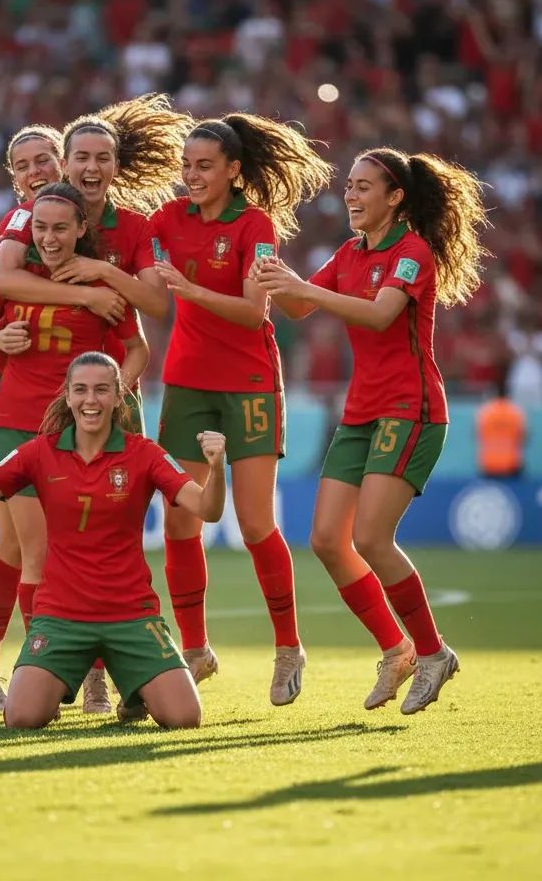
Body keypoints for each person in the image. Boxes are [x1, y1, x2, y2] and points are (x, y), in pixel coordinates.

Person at [256, 147, 489, 714]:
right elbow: (295, 308)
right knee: (327, 540)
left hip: (411, 410)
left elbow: (381, 314)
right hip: (361, 412)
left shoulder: (412, 254)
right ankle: (397, 648)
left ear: (395, 197)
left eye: (364, 187)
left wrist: (306, 290)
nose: (352, 196)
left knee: (370, 539)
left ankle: (434, 653)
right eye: (350, 187)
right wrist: (266, 267)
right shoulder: (349, 252)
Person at [0, 94, 190, 710]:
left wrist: (101, 276)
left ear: (116, 164)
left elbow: (154, 310)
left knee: (112, 537)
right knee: (27, 547)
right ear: (66, 164)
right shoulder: (33, 218)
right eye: (82, 156)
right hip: (27, 392)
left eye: (104, 157)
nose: (92, 167)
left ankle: (128, 660)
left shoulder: (135, 228)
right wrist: (72, 297)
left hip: (106, 397)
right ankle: (37, 663)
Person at [0, 351, 229, 729]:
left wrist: (216, 468)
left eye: (101, 390)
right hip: (60, 618)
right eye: (81, 390)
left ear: (118, 396)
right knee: (22, 717)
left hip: (131, 615)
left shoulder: (144, 454)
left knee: (185, 717)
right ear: (68, 397)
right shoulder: (38, 452)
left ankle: (134, 688)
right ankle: (60, 680)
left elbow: (208, 509)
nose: (91, 400)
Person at [149, 114, 333, 704]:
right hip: (186, 383)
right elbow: (143, 273)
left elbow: (256, 312)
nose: (192, 176)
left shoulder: (254, 225)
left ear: (233, 169)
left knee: (254, 523)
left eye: (205, 166)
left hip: (249, 382)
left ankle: (287, 649)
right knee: (181, 519)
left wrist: (189, 289)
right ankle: (196, 652)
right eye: (186, 165)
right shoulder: (167, 220)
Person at [0, 182, 151, 705]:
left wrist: (116, 394)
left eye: (60, 228)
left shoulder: (101, 286)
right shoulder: (12, 277)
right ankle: (52, 670)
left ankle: (93, 672)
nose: (48, 238)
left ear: (81, 231)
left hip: (77, 436)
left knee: (87, 549)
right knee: (37, 555)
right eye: (41, 228)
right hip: (19, 426)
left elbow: (138, 351)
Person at [476, 377, 526, 478]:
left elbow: (478, 434)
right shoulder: (515, 412)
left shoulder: (485, 412)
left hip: (488, 463)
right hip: (511, 464)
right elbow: (523, 437)